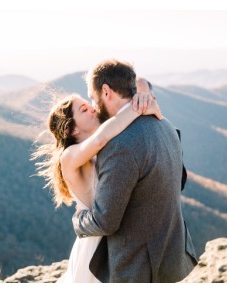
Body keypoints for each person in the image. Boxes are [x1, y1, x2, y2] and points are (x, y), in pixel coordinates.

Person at [72, 59, 197, 282]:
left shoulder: (119, 145)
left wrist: (78, 220)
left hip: (139, 270)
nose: (93, 105)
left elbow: (105, 222)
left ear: (106, 91)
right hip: (173, 257)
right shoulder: (166, 124)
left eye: (92, 97)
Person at [35, 82, 160, 282]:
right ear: (71, 130)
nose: (93, 107)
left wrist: (144, 97)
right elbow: (103, 136)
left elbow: (131, 89)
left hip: (122, 240)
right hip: (96, 247)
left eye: (88, 103)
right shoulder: (69, 156)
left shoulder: (106, 141)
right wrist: (141, 108)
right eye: (84, 109)